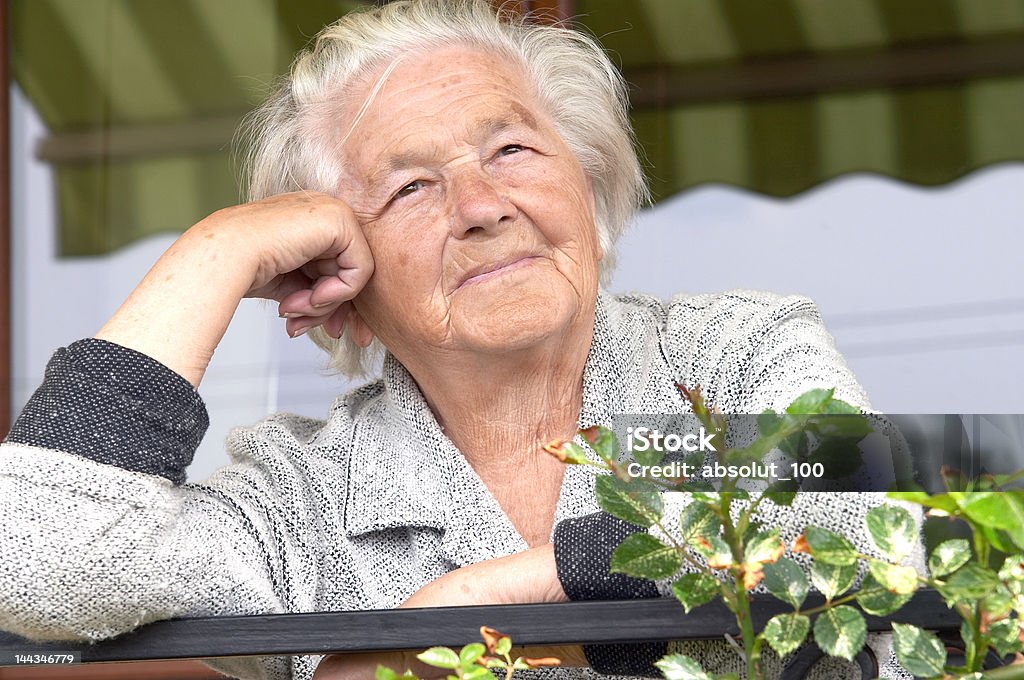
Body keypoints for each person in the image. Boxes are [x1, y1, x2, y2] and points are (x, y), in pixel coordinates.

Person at [0, 1, 922, 679]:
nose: (481, 208)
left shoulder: (725, 355)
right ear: (341, 280)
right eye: (409, 189)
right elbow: (35, 562)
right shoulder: (308, 505)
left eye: (512, 151)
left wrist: (476, 610)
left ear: (589, 187)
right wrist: (219, 247)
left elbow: (864, 525)